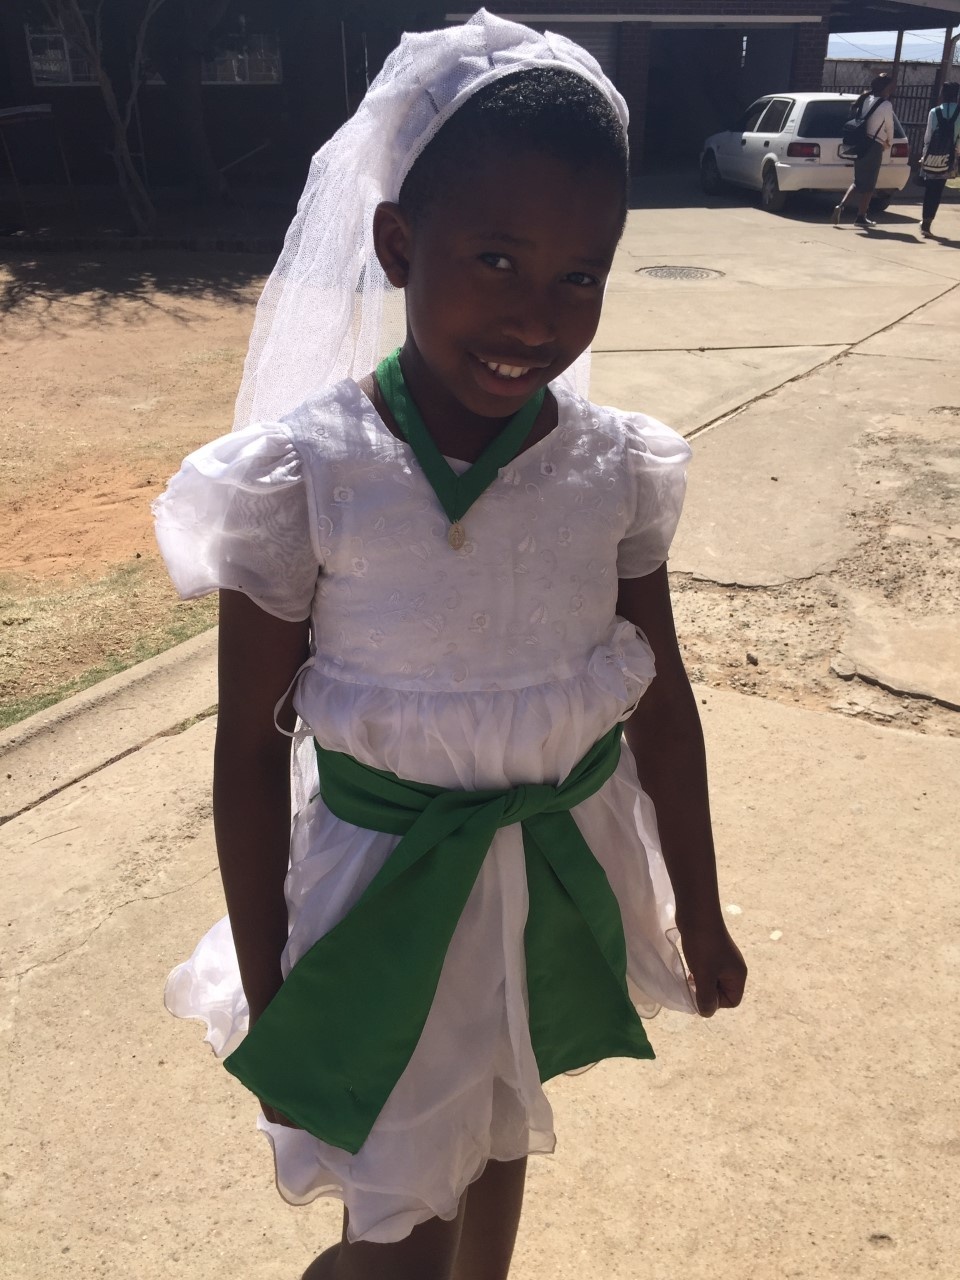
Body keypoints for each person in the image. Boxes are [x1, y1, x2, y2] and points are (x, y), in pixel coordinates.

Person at [154, 11, 747, 1280]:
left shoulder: (614, 470)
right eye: (495, 257)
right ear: (396, 244)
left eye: (580, 274)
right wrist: (271, 987)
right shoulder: (306, 476)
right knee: (396, 1238)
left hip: (542, 887)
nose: (536, 314)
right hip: (377, 912)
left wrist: (696, 899)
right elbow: (250, 752)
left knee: (498, 1134)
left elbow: (662, 700)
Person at [833, 71, 897, 229]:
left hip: (860, 143)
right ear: (885, 88)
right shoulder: (885, 105)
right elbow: (889, 126)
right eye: (890, 87)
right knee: (869, 184)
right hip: (874, 145)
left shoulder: (866, 99)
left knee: (857, 181)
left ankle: (840, 206)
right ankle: (861, 216)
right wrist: (889, 141)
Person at [918, 81, 960, 237]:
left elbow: (928, 137)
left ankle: (925, 223)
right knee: (938, 189)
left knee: (930, 189)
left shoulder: (934, 112)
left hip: (932, 155)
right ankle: (929, 220)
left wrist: (924, 156)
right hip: (949, 156)